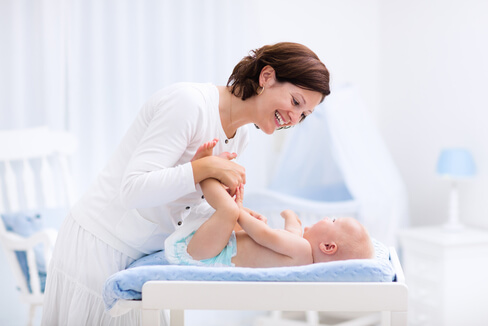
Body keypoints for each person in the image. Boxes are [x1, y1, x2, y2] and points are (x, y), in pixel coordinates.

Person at [41, 42, 331, 325]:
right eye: (295, 102)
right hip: (99, 245)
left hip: (144, 256)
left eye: (304, 115)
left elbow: (184, 203)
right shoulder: (189, 104)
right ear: (266, 77)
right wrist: (202, 167)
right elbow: (133, 190)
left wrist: (235, 216)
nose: (294, 118)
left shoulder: (241, 136)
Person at [165, 139, 374, 268]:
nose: (328, 218)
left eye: (334, 221)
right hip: (213, 249)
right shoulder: (301, 254)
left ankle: (204, 171)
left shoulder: (302, 250)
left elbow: (266, 235)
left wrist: (239, 211)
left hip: (207, 254)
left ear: (328, 247)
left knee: (229, 210)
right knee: (239, 214)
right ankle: (208, 173)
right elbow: (291, 232)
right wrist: (290, 217)